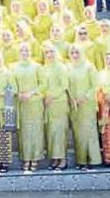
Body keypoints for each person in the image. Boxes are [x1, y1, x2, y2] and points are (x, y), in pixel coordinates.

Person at [67, 44, 101, 171]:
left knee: (89, 132)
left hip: (87, 103)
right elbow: (67, 86)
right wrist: (72, 99)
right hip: (74, 105)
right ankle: (81, 160)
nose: (75, 55)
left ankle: (93, 159)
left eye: (77, 52)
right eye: (72, 53)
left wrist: (86, 97)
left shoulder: (89, 66)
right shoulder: (68, 68)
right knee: (78, 133)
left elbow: (95, 85)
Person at [11, 43, 44, 171]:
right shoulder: (14, 67)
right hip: (22, 103)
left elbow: (43, 84)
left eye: (27, 50)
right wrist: (18, 93)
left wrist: (31, 93)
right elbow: (12, 82)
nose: (25, 52)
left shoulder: (37, 67)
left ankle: (35, 158)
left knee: (36, 130)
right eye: (22, 50)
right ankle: (26, 158)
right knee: (24, 132)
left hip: (35, 102)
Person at [40, 42, 70, 171]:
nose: (49, 54)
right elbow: (42, 85)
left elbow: (64, 85)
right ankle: (54, 158)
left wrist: (52, 96)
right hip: (47, 103)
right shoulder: (44, 68)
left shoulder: (61, 67)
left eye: (51, 52)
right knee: (51, 132)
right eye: (46, 52)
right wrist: (44, 96)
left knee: (59, 131)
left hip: (58, 102)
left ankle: (62, 159)